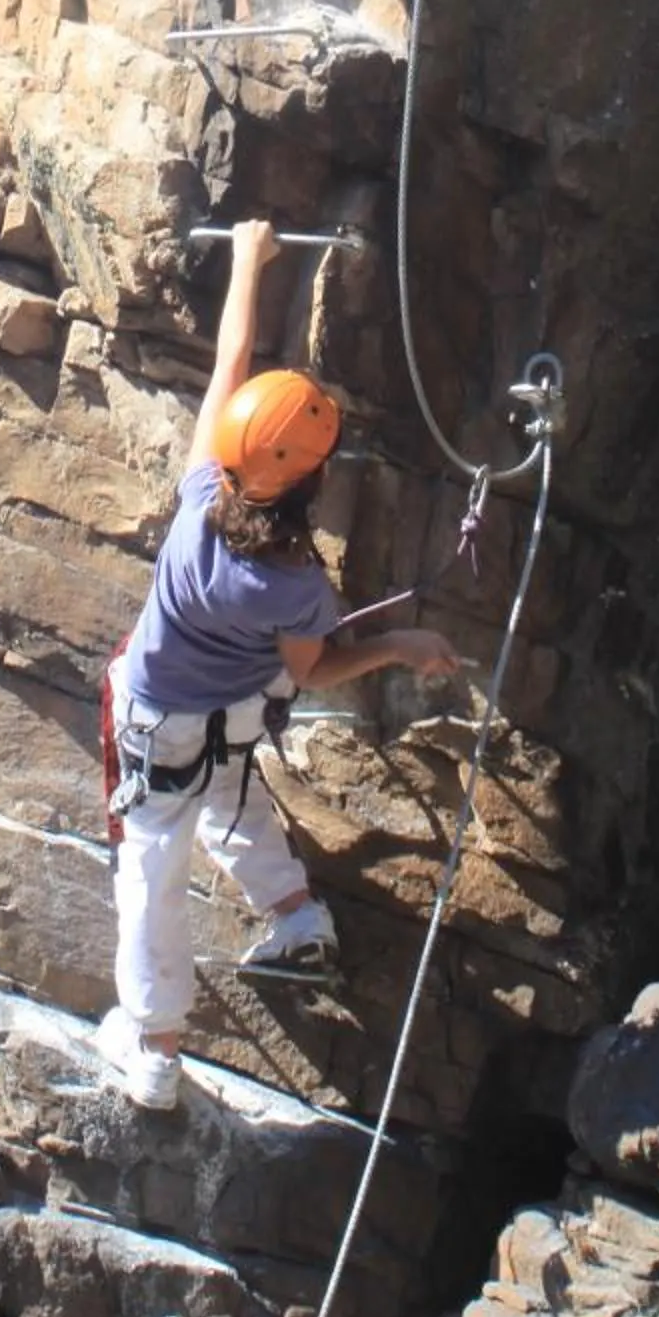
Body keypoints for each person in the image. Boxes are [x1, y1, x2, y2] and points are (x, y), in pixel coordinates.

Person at [95, 218, 462, 1110]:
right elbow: (311, 672)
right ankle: (296, 920)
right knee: (225, 793)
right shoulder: (297, 585)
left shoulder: (197, 501)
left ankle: (153, 1045)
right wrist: (398, 647)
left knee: (150, 860)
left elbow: (230, 363)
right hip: (234, 714)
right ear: (310, 482)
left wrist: (246, 262)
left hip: (157, 715)